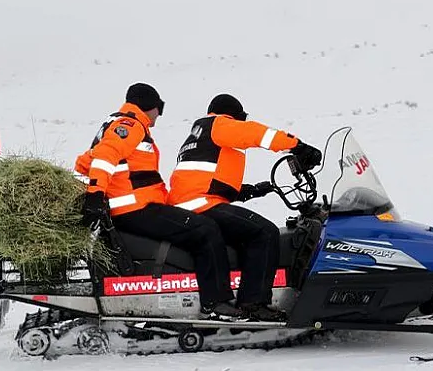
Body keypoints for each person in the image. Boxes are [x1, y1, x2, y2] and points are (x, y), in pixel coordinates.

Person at [74, 83, 242, 321]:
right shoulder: (129, 124)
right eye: (159, 108)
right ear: (149, 105)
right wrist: (95, 195)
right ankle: (217, 301)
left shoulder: (113, 124)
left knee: (194, 226)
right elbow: (104, 157)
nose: (159, 115)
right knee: (205, 229)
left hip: (132, 206)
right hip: (134, 209)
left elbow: (84, 161)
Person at [167, 93, 322, 321]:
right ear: (234, 115)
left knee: (247, 232)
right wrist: (297, 146)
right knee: (264, 232)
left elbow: (205, 177)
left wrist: (247, 191)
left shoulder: (200, 133)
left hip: (191, 200)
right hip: (199, 203)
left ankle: (245, 293)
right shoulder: (219, 123)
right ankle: (253, 303)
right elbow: (256, 134)